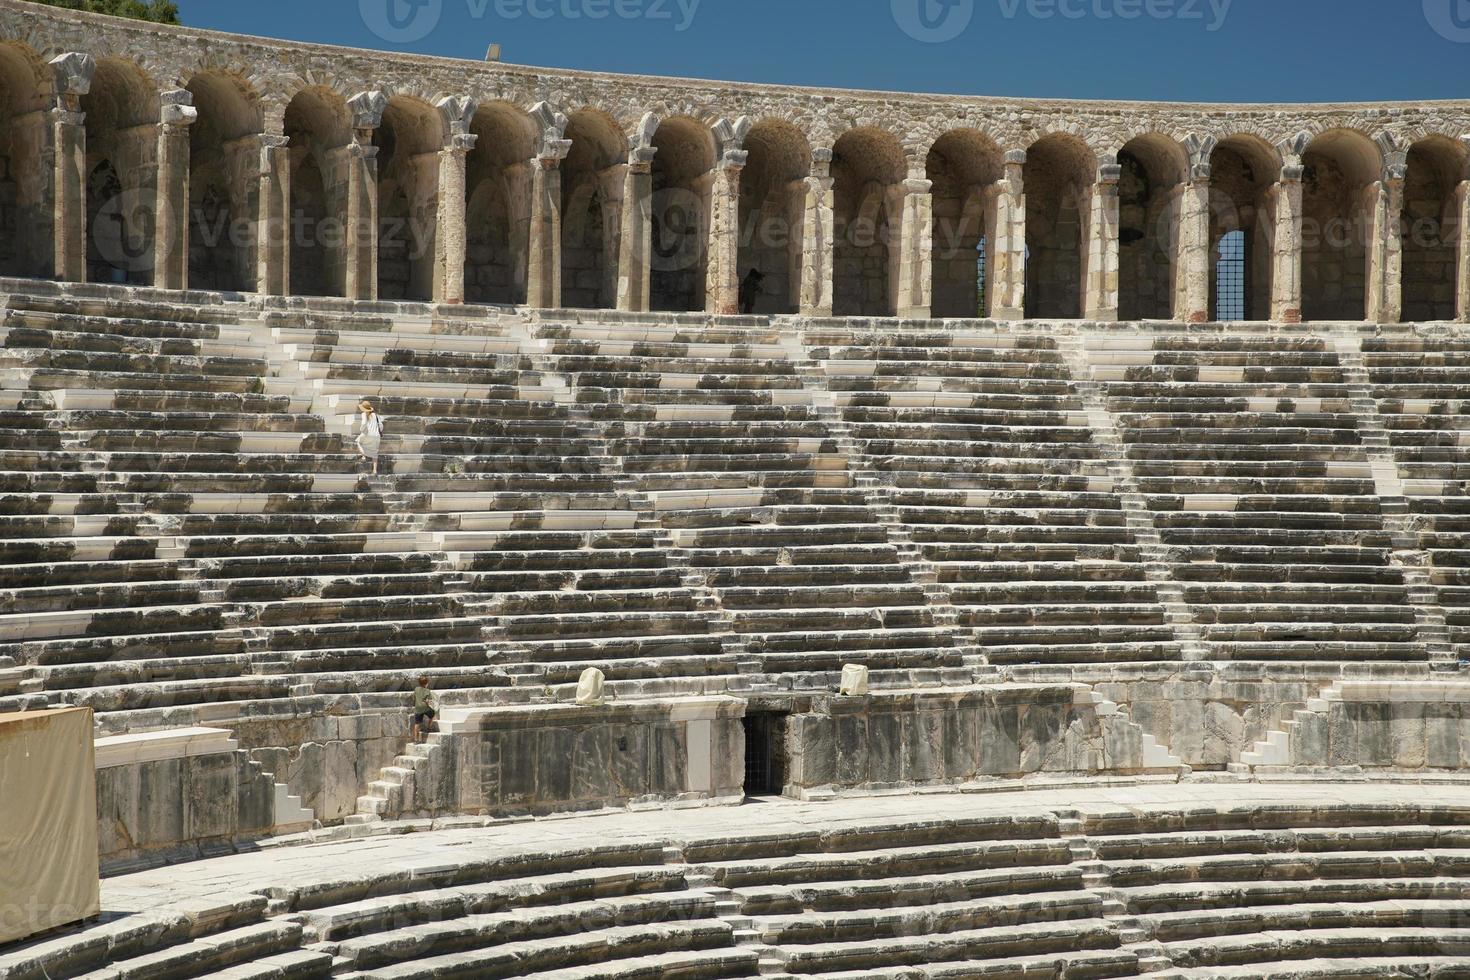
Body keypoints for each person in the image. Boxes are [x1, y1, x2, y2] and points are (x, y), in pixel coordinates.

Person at [356, 399, 384, 475]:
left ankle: (364, 456)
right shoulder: (377, 416)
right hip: (376, 435)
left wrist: (361, 429)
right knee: (375, 453)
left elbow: (364, 423)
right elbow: (381, 426)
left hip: (368, 433)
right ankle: (374, 470)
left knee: (358, 442)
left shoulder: (364, 414)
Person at [411, 676, 437, 743]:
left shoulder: (416, 689)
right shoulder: (427, 691)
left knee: (417, 724)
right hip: (425, 707)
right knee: (433, 714)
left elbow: (414, 698)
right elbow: (428, 701)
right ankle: (429, 728)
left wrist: (414, 704)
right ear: (426, 683)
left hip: (417, 708)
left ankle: (416, 740)